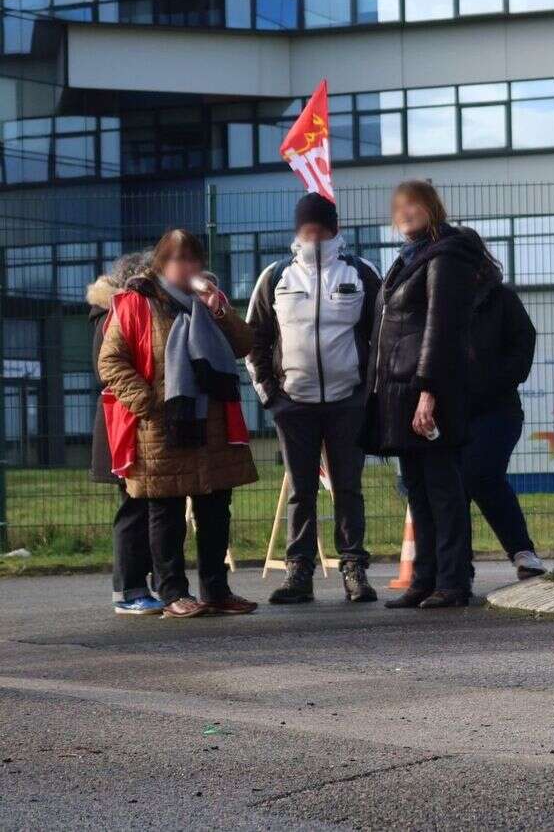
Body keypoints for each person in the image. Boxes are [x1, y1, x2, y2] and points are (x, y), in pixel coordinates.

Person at [97, 229, 260, 619]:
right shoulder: (137, 303)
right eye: (178, 259)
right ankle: (172, 592)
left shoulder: (208, 302)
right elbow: (111, 361)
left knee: (216, 510)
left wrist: (219, 309)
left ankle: (216, 590)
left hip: (214, 426)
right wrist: (149, 402)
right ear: (161, 264)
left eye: (193, 259)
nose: (187, 267)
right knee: (166, 513)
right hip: (162, 426)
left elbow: (244, 344)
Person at [247, 193, 383, 604]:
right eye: (307, 227)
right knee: (300, 491)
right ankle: (298, 574)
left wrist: (366, 393)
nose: (314, 234)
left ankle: (354, 569)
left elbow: (382, 338)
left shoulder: (363, 272)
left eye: (320, 226)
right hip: (294, 404)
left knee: (348, 488)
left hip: (348, 402)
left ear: (334, 227)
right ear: (297, 229)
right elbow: (255, 338)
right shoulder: (276, 276)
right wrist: (271, 395)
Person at [365, 180, 485, 609]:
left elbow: (439, 329)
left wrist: (428, 393)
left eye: (413, 204)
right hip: (400, 394)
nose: (404, 212)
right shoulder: (409, 260)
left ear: (431, 208)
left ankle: (452, 582)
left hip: (428, 394)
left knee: (442, 490)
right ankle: (425, 578)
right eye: (398, 206)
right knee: (416, 489)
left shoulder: (444, 257)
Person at [457, 227, 546, 580]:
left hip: (497, 409)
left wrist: (494, 381)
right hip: (451, 410)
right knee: (453, 485)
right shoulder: (437, 298)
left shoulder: (501, 299)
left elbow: (523, 344)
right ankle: (455, 567)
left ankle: (523, 552)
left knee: (481, 474)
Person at [88, 251, 162, 616]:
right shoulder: (113, 315)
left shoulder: (115, 312)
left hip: (132, 426)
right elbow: (113, 371)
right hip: (125, 429)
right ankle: (130, 589)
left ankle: (145, 585)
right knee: (135, 507)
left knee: (148, 506)